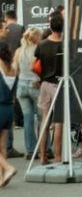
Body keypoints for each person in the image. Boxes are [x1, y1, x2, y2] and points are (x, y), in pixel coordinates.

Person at [36, 14, 64, 165]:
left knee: (45, 121)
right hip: (60, 83)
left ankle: (42, 156)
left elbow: (34, 65)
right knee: (58, 122)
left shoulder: (42, 45)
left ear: (50, 27)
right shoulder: (65, 45)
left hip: (45, 84)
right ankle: (58, 157)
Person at [14, 27, 42, 158]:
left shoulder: (19, 51)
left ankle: (30, 150)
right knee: (43, 118)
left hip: (21, 86)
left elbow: (15, 70)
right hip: (35, 85)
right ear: (36, 37)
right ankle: (45, 149)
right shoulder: (38, 50)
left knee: (28, 118)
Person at [0, 41, 17, 186]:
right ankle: (3, 177)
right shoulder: (12, 67)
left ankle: (7, 168)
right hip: (9, 109)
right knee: (2, 146)